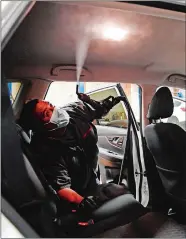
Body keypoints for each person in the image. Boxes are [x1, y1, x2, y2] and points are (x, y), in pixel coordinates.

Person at [18, 93, 128, 216]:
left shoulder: (74, 111)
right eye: (47, 114)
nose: (55, 111)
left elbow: (98, 109)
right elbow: (63, 188)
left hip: (90, 173)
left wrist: (106, 103)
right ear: (39, 127)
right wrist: (83, 202)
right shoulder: (45, 151)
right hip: (79, 190)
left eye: (51, 106)